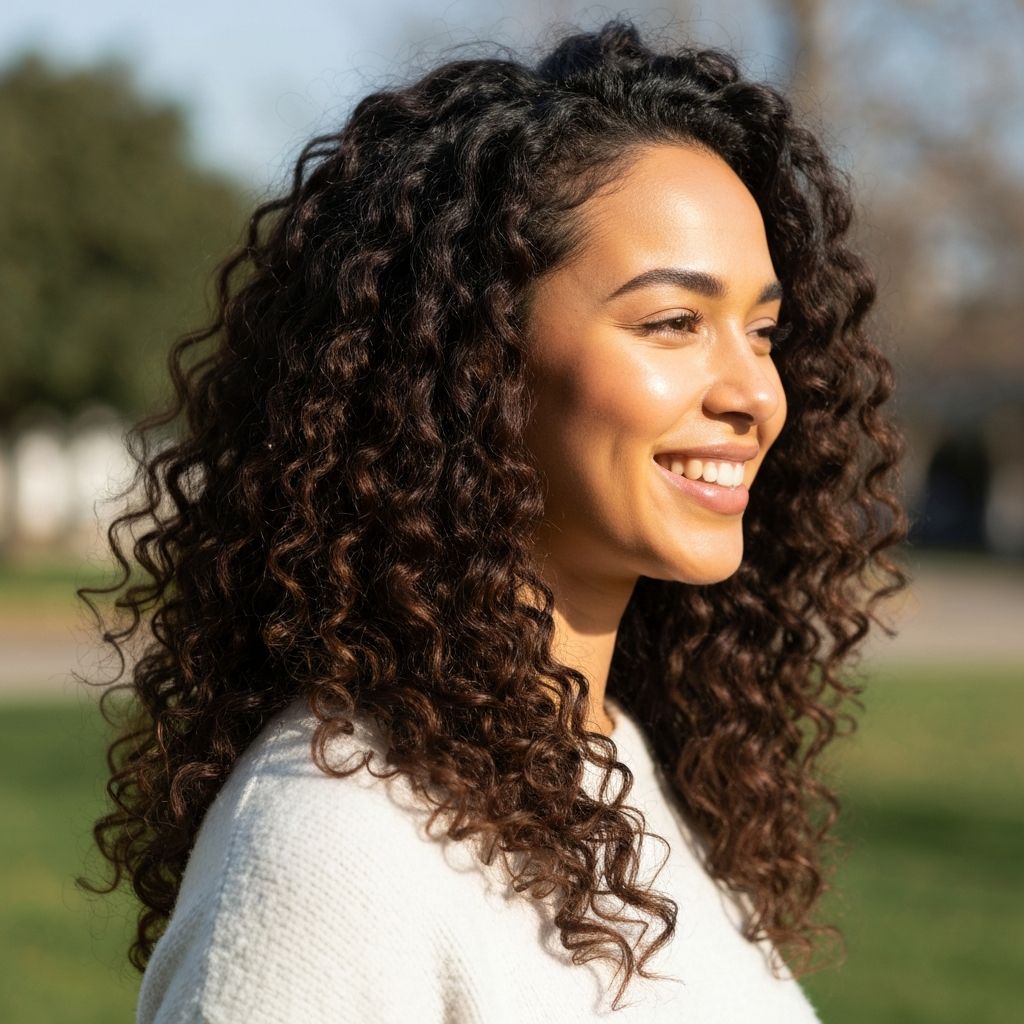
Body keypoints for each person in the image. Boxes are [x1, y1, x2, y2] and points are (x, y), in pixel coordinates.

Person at [79, 18, 908, 1023]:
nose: (755, 395)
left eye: (763, 331)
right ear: (472, 360)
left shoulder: (614, 761)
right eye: (673, 323)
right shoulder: (334, 848)